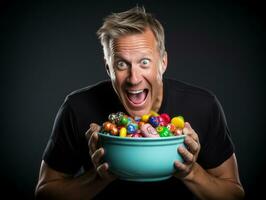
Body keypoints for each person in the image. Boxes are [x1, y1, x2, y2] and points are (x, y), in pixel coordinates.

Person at [35, 6, 245, 199]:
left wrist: (191, 173)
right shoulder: (77, 108)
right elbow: (44, 192)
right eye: (121, 64)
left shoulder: (203, 106)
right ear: (109, 69)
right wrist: (98, 177)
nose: (134, 78)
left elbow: (234, 193)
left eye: (144, 62)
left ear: (163, 63)